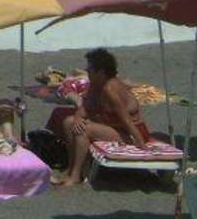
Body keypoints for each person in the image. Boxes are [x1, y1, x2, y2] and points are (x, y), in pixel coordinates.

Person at [54, 47, 151, 187]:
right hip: (115, 128)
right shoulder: (96, 84)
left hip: (131, 133)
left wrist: (141, 145)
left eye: (90, 69)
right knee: (69, 122)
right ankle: (73, 169)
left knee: (83, 129)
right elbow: (85, 108)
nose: (86, 71)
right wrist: (77, 118)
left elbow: (126, 120)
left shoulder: (110, 89)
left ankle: (76, 175)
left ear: (101, 72)